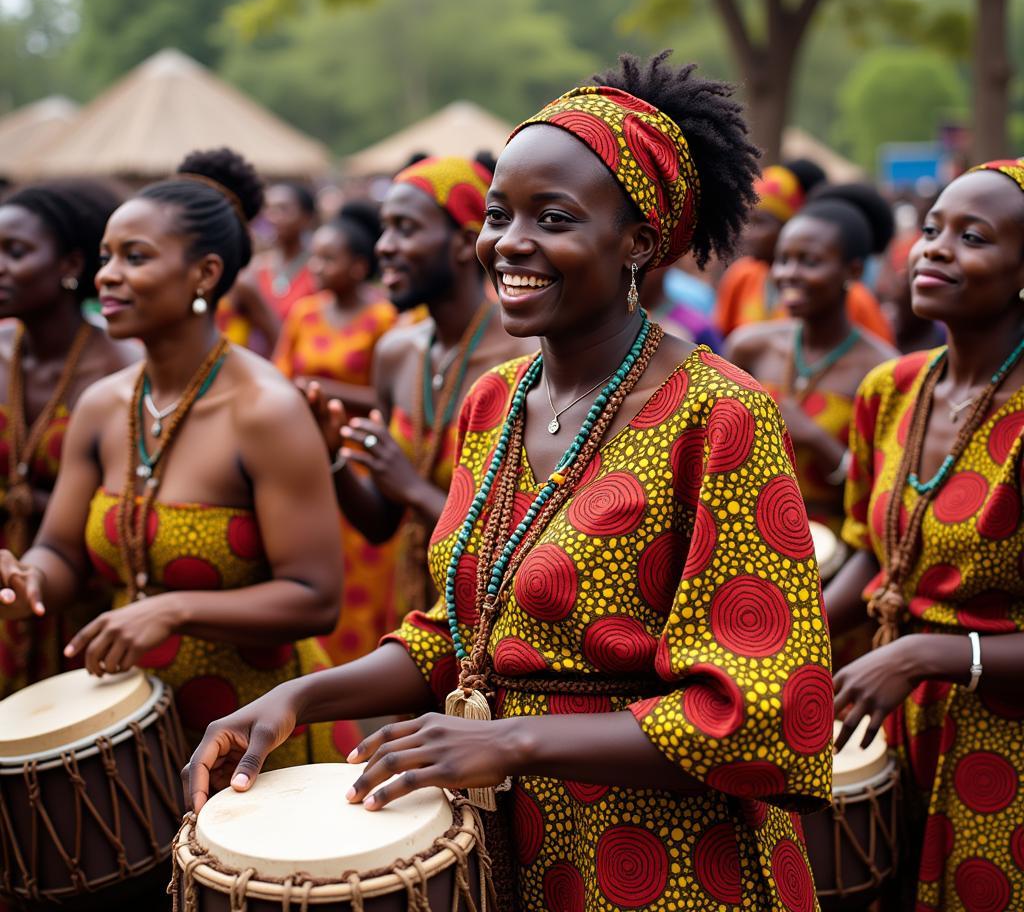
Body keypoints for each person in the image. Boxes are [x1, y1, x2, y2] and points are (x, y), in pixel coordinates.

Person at [186, 54, 833, 912]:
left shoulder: (720, 413)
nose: (510, 243)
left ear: (639, 240)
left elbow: (762, 712)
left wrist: (517, 742)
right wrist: (293, 698)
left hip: (668, 866)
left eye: (553, 217)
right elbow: (456, 635)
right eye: (498, 215)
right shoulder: (497, 399)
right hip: (500, 849)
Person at [0, 148, 347, 765]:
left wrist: (174, 609)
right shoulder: (102, 405)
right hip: (128, 728)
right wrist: (28, 579)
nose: (106, 275)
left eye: (135, 258)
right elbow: (61, 552)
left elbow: (316, 597)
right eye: (106, 257)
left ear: (205, 275)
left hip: (255, 729)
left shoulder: (265, 409)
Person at [825, 158, 1024, 910]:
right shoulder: (893, 388)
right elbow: (874, 557)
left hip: (1000, 750)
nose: (933, 248)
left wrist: (928, 654)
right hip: (889, 721)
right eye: (932, 228)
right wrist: (792, 636)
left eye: (971, 237)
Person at [308, 155, 535, 620]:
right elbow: (380, 524)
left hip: (498, 624)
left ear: (463, 243)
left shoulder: (525, 361)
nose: (384, 247)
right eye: (384, 228)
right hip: (411, 617)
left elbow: (523, 549)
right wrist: (331, 456)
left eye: (405, 228)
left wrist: (412, 487)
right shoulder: (397, 353)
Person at [0, 180, 139, 695]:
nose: (0, 266)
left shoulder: (120, 372)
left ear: (69, 265)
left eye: (16, 252)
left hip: (86, 594)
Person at [726, 184, 899, 534]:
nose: (789, 273)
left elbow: (888, 494)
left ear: (852, 272)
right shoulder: (750, 348)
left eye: (810, 261)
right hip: (744, 535)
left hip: (834, 546)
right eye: (783, 259)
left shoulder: (882, 371)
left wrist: (815, 439)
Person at [274, 201, 398, 665]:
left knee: (365, 568)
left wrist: (326, 390)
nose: (317, 267)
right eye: (315, 257)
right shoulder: (304, 313)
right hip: (308, 455)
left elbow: (390, 399)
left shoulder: (385, 319)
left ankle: (370, 665)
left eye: (328, 258)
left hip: (360, 457)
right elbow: (280, 376)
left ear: (359, 266)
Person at [715, 162, 895, 343]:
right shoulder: (741, 277)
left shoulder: (854, 300)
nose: (747, 232)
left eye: (761, 223)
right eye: (747, 220)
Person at [217, 181, 319, 354]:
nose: (273, 217)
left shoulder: (319, 270)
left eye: (283, 209)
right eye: (269, 210)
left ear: (307, 217)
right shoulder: (254, 268)